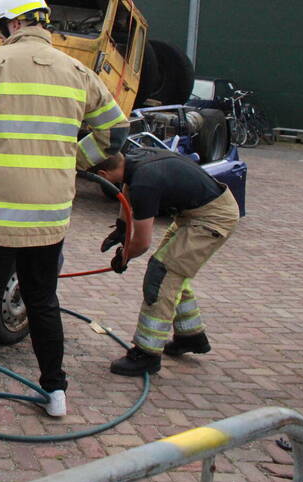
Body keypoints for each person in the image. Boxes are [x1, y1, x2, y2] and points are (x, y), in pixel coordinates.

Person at [0, 0, 129, 440]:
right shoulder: (78, 72)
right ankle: (54, 392)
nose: (2, 35)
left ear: (14, 23)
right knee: (43, 301)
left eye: (2, 27)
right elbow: (115, 133)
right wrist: (77, 158)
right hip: (50, 217)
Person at [90, 147, 240, 375]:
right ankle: (191, 336)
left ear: (102, 176)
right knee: (172, 272)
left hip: (212, 219)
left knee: (162, 274)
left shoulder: (144, 183)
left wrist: (124, 257)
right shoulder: (135, 159)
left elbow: (142, 242)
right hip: (195, 213)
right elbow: (128, 191)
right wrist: (121, 229)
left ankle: (146, 355)